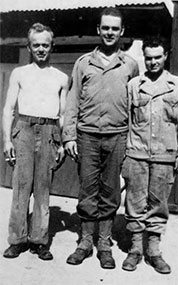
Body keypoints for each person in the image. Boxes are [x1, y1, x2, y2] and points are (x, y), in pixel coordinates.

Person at [63, 8, 139, 269]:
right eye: (105, 28)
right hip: (87, 136)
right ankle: (85, 242)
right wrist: (69, 136)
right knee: (87, 189)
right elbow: (72, 100)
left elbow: (135, 106)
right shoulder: (84, 63)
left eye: (114, 29)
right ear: (98, 30)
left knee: (110, 191)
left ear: (122, 32)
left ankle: (104, 244)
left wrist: (133, 139)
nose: (109, 33)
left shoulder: (130, 65)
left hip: (117, 136)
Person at [120, 37, 178, 274]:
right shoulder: (134, 85)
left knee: (158, 204)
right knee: (135, 202)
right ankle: (135, 249)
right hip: (137, 153)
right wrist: (125, 154)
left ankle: (153, 250)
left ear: (165, 57)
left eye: (157, 57)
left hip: (165, 154)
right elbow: (127, 122)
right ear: (144, 57)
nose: (152, 62)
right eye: (148, 58)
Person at [2, 23, 68, 260]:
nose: (41, 49)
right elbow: (8, 109)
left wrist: (61, 143)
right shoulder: (20, 74)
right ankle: (17, 240)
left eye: (45, 45)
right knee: (21, 187)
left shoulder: (61, 78)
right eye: (36, 44)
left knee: (43, 188)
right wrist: (7, 140)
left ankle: (39, 240)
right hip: (24, 130)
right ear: (29, 47)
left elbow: (63, 114)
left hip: (50, 131)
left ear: (52, 46)